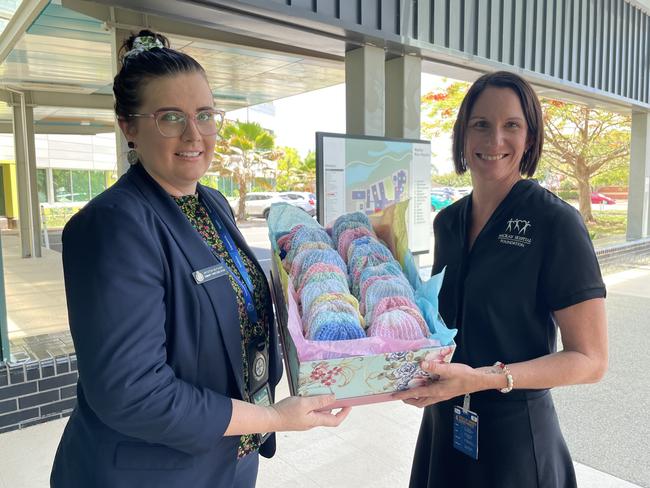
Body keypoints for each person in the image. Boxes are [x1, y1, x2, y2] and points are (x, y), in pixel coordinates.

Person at [50, 30, 349, 488]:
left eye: (205, 115)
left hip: (226, 458)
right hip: (150, 473)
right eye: (170, 117)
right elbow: (132, 393)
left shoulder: (211, 202)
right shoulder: (112, 226)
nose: (194, 135)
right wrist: (273, 416)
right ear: (128, 126)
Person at [394, 71, 608, 487]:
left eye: (512, 125)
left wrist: (485, 378)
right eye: (481, 124)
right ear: (462, 134)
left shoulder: (555, 222)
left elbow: (591, 361)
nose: (495, 141)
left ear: (530, 138)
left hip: (515, 440)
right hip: (445, 427)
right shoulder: (448, 222)